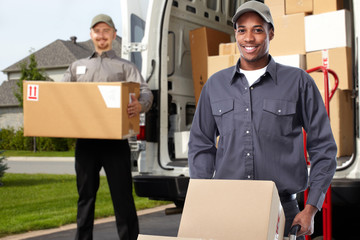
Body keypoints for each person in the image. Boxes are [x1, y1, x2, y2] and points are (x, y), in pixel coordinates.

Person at [188, 1, 337, 239]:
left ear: (271, 33)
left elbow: (324, 148)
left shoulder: (298, 82)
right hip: (227, 209)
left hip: (283, 210)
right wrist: (203, 199)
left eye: (257, 29)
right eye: (241, 30)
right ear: (235, 34)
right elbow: (200, 145)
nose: (249, 38)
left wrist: (311, 208)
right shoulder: (215, 86)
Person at [62, 14, 153, 240]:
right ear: (91, 35)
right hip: (85, 142)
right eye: (97, 31)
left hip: (116, 141)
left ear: (113, 35)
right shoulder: (76, 67)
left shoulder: (126, 67)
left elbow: (145, 91)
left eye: (106, 30)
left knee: (122, 197)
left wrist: (139, 105)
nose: (101, 35)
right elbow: (60, 96)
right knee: (85, 197)